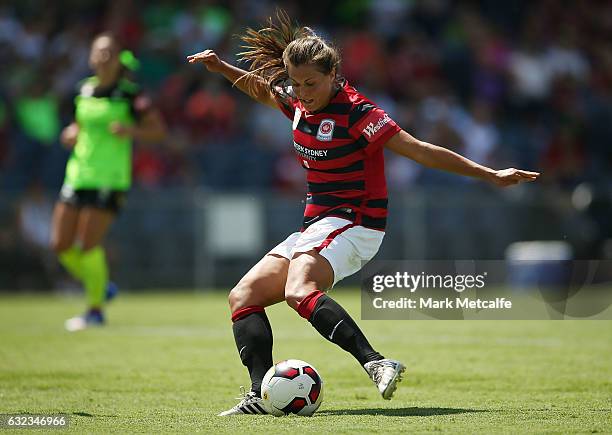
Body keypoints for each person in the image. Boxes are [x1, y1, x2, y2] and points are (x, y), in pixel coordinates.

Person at [188, 11, 539, 416]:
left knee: (298, 291)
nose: (302, 92)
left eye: (311, 83)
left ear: (333, 74)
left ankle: (375, 362)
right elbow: (265, 92)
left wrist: (488, 173)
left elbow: (419, 149)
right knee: (243, 296)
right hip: (316, 225)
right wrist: (220, 68)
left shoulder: (358, 112)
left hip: (356, 221)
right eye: (296, 83)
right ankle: (260, 396)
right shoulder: (297, 100)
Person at [51, 33, 166, 331]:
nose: (102, 57)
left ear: (117, 59)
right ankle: (99, 285)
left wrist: (131, 131)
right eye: (97, 52)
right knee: (60, 244)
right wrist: (71, 132)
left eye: (108, 52)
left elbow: (158, 132)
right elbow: (80, 124)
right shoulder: (84, 90)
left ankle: (95, 310)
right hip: (78, 173)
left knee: (89, 244)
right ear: (90, 57)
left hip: (110, 178)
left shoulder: (130, 94)